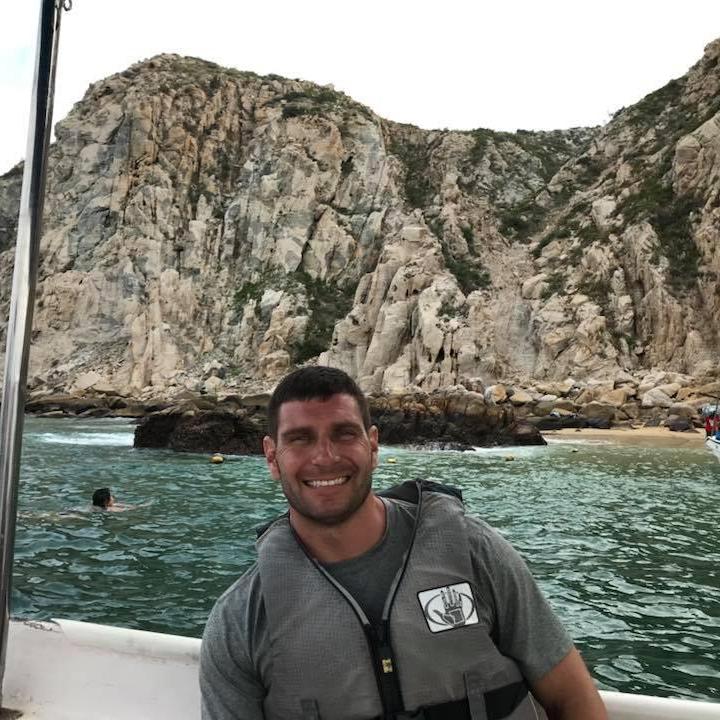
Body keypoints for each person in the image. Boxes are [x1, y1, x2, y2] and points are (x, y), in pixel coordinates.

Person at [200, 367, 608, 719]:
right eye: (300, 439)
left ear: (373, 445)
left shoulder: (473, 551)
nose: (325, 457)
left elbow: (571, 696)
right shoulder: (241, 620)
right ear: (272, 457)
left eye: (344, 433)